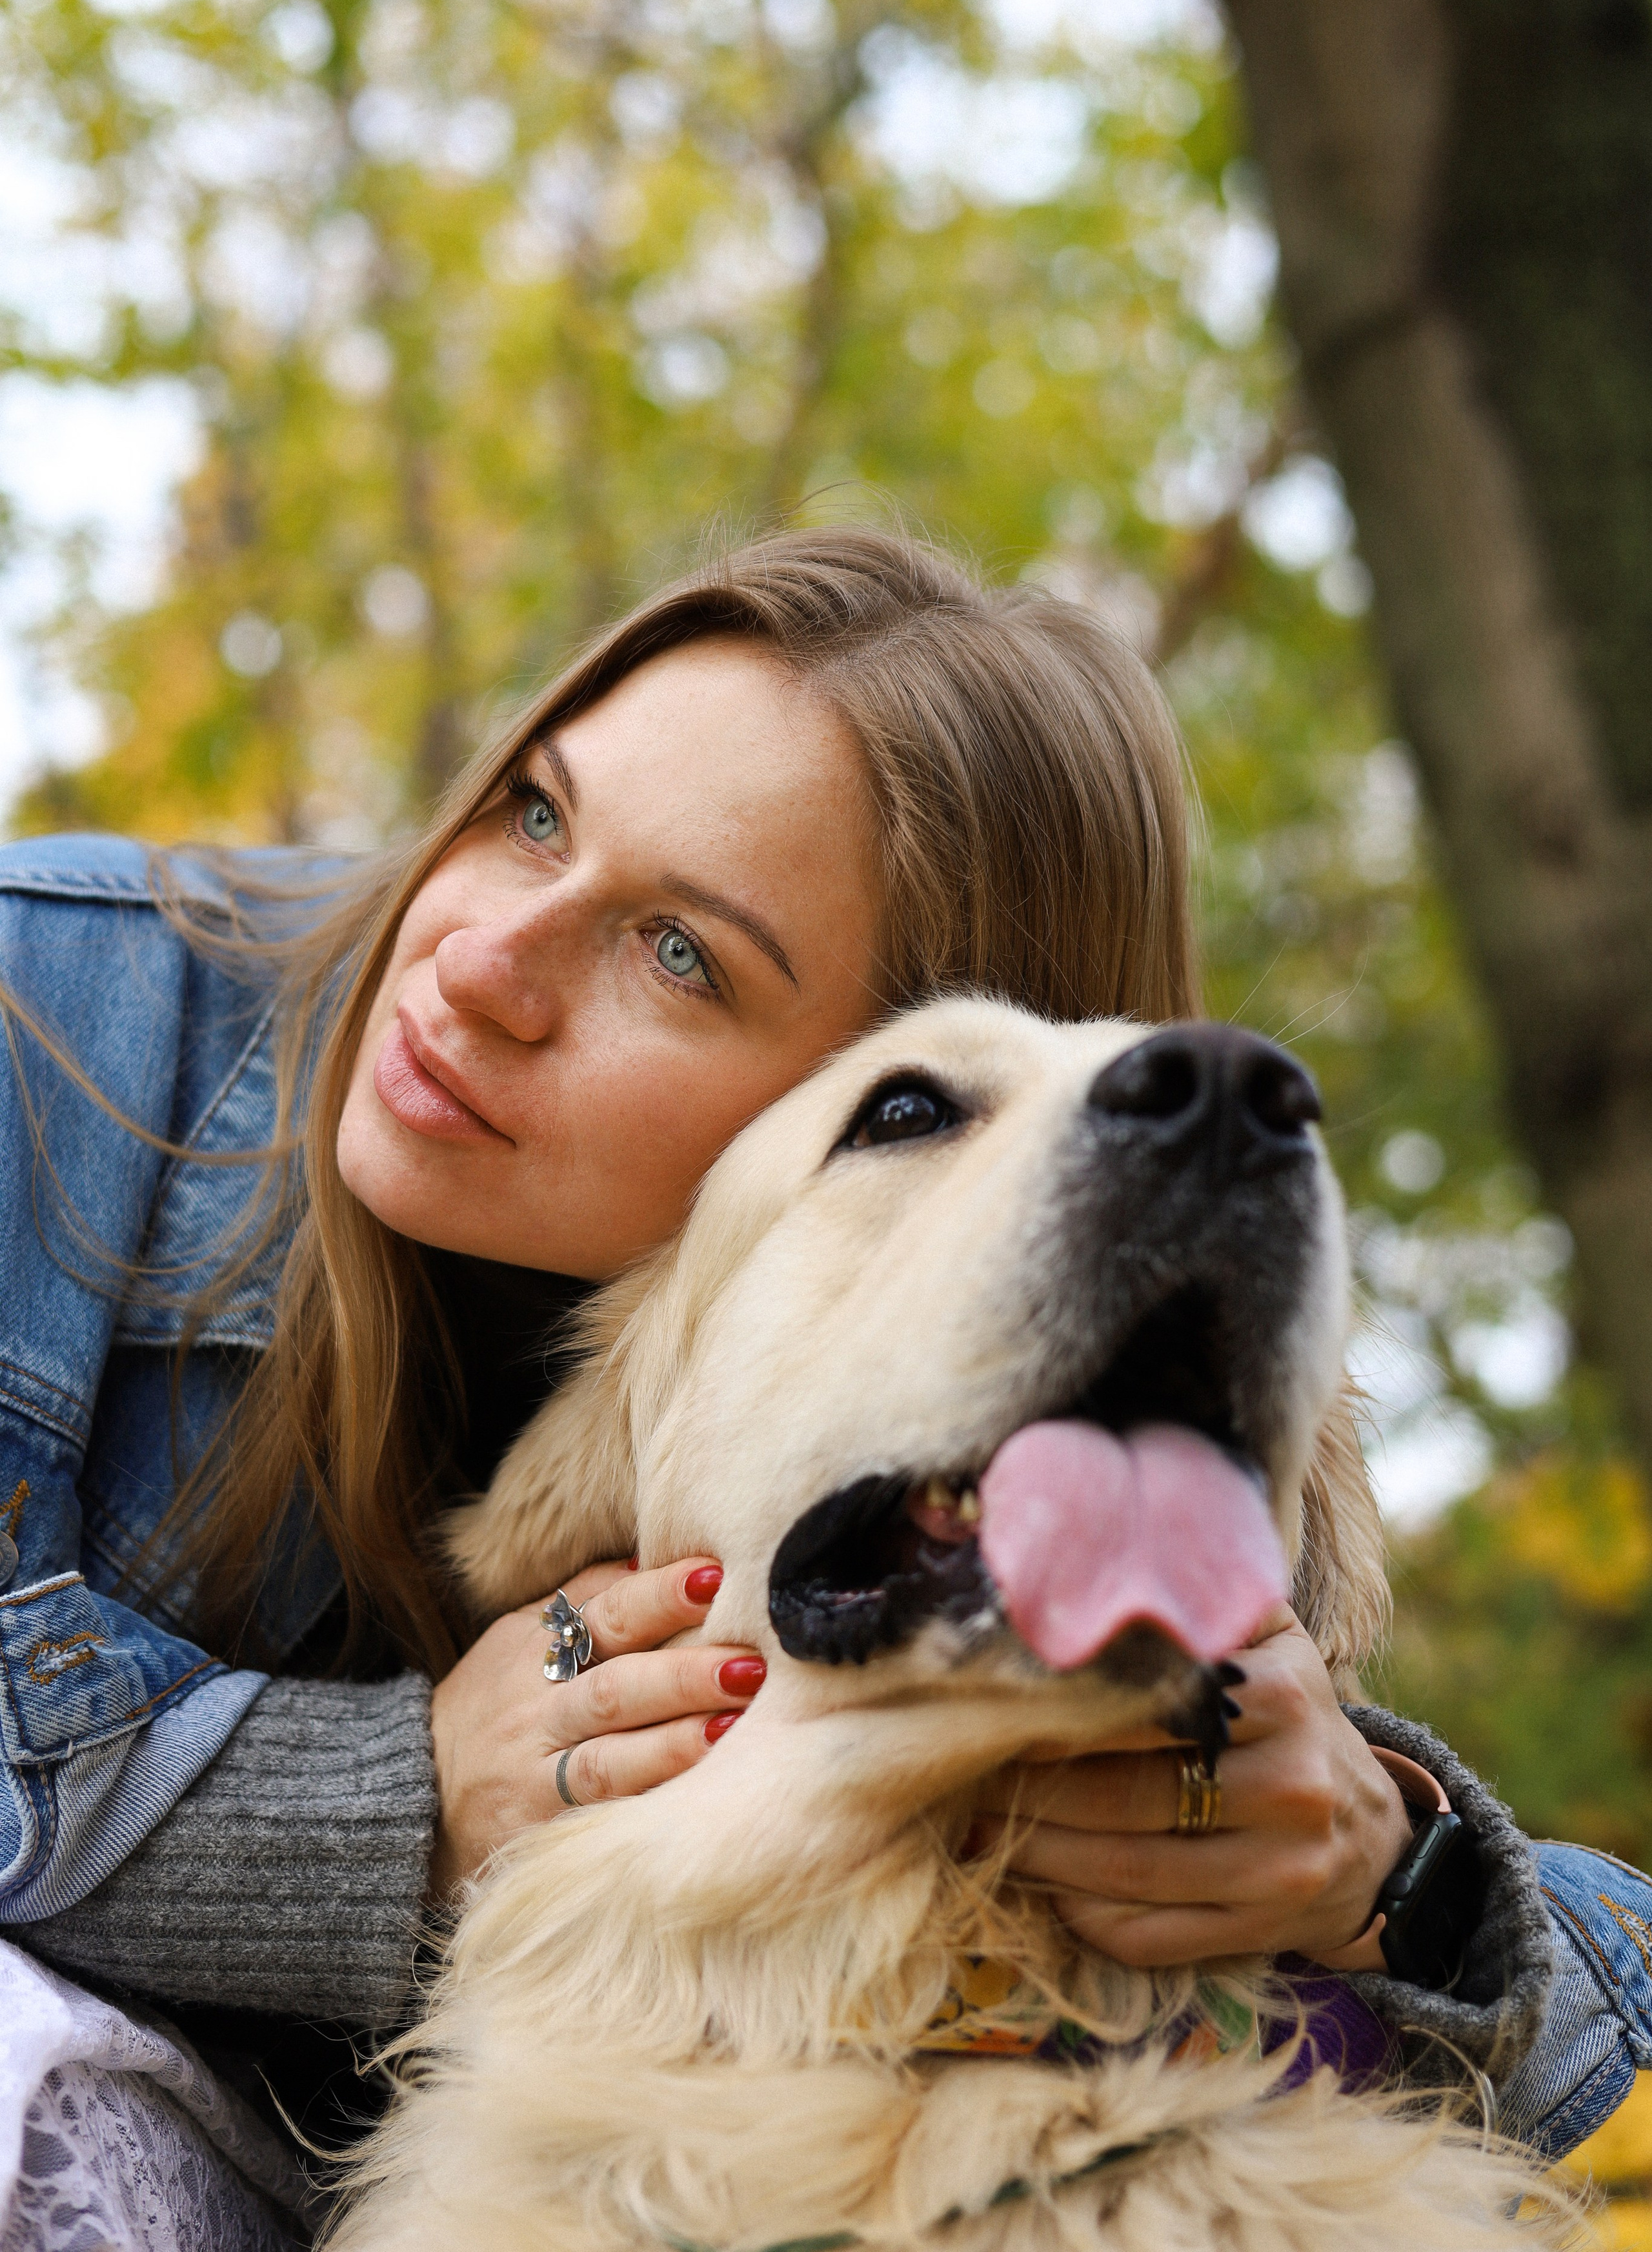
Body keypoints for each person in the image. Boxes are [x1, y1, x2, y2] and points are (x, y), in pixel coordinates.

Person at [0, 529, 1642, 2243]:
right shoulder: (53, 1001)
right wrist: (395, 1801)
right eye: (533, 811)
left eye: (684, 955)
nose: (473, 961)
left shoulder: (847, 1394)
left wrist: (1405, 1875)